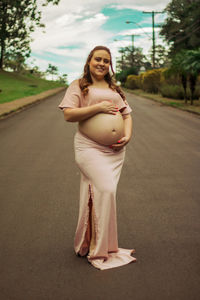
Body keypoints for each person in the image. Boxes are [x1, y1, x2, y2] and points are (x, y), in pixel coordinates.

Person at [58, 45, 136, 270]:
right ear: (89, 62)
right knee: (106, 190)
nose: (101, 63)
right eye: (97, 59)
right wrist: (98, 107)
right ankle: (98, 247)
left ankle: (95, 243)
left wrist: (127, 135)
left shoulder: (114, 89)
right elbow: (68, 115)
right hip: (88, 148)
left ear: (109, 65)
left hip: (114, 152)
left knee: (101, 192)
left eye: (105, 60)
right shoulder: (79, 86)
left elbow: (127, 115)